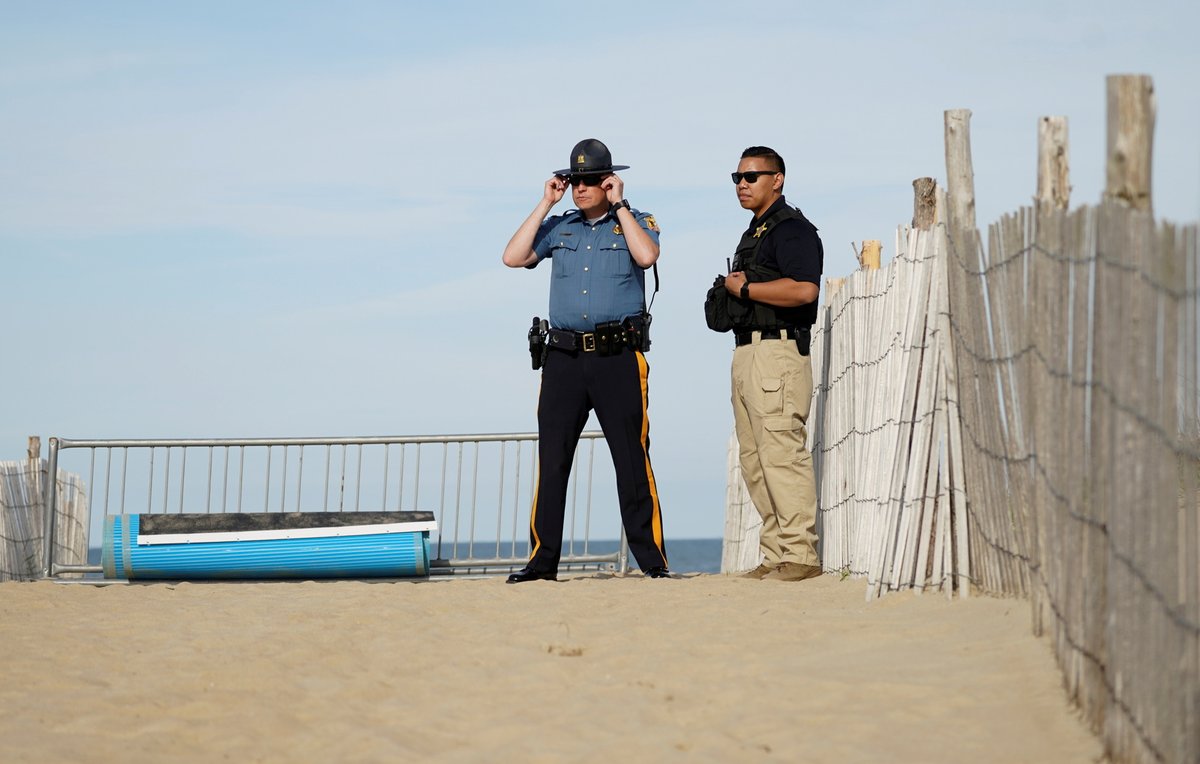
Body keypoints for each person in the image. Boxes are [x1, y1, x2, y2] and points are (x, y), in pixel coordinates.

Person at [501, 138, 670, 583]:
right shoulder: (562, 226)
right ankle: (542, 562)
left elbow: (647, 255)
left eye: (591, 180)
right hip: (563, 359)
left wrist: (621, 206)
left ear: (609, 181)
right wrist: (544, 203)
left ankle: (652, 562)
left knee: (631, 459)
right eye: (575, 180)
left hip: (618, 358)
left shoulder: (635, 222)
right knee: (553, 459)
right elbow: (512, 257)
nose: (580, 187)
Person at [722, 146, 823, 581]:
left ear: (777, 179)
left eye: (752, 176)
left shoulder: (793, 230)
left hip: (778, 351)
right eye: (737, 178)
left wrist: (745, 292)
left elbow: (804, 291)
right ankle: (777, 553)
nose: (742, 185)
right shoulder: (755, 232)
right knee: (754, 460)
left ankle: (801, 555)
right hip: (748, 352)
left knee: (782, 454)